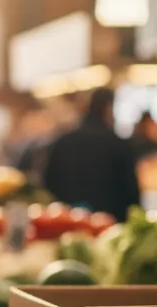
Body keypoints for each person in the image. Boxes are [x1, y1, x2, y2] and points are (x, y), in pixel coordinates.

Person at [42, 88, 142, 221]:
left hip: (66, 223)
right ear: (108, 107)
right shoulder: (119, 145)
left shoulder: (62, 142)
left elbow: (47, 182)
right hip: (109, 225)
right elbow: (131, 192)